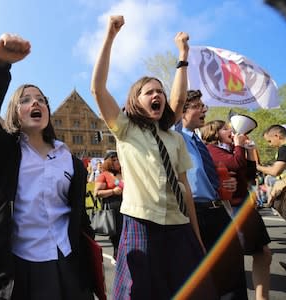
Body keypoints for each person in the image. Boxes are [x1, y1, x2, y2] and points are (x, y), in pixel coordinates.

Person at [0, 33, 95, 300]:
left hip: (66, 262)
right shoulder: (2, 154)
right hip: (16, 267)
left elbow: (77, 215)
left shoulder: (70, 160)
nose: (35, 102)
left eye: (41, 99)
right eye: (25, 99)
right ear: (14, 112)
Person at [90, 15, 211, 299]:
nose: (158, 95)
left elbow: (186, 190)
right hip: (141, 223)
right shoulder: (125, 129)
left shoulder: (175, 137)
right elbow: (97, 89)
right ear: (136, 99)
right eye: (150, 92)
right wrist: (109, 36)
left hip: (179, 224)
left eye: (161, 91)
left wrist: (196, 236)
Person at [177, 90, 248, 299]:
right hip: (196, 215)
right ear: (182, 111)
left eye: (203, 105)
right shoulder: (175, 135)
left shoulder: (199, 141)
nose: (204, 109)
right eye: (197, 106)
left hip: (218, 211)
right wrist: (184, 59)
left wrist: (223, 183)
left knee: (233, 275)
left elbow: (201, 174)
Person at [200, 120, 272, 300]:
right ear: (214, 133)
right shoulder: (211, 149)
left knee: (262, 252)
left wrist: (248, 151)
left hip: (244, 207)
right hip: (232, 209)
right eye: (225, 129)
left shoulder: (229, 149)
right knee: (234, 259)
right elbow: (235, 165)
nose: (231, 132)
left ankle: (262, 297)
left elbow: (248, 174)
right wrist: (239, 146)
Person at [257, 124, 286, 275]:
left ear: (277, 136)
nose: (270, 145)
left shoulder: (285, 148)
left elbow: (275, 171)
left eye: (269, 141)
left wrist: (257, 167)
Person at [93, 151, 123, 262]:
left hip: (126, 207)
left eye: (118, 159)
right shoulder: (104, 175)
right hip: (112, 208)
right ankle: (117, 256)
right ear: (108, 162)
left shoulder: (124, 172)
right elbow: (97, 193)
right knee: (116, 235)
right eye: (114, 160)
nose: (117, 162)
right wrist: (113, 191)